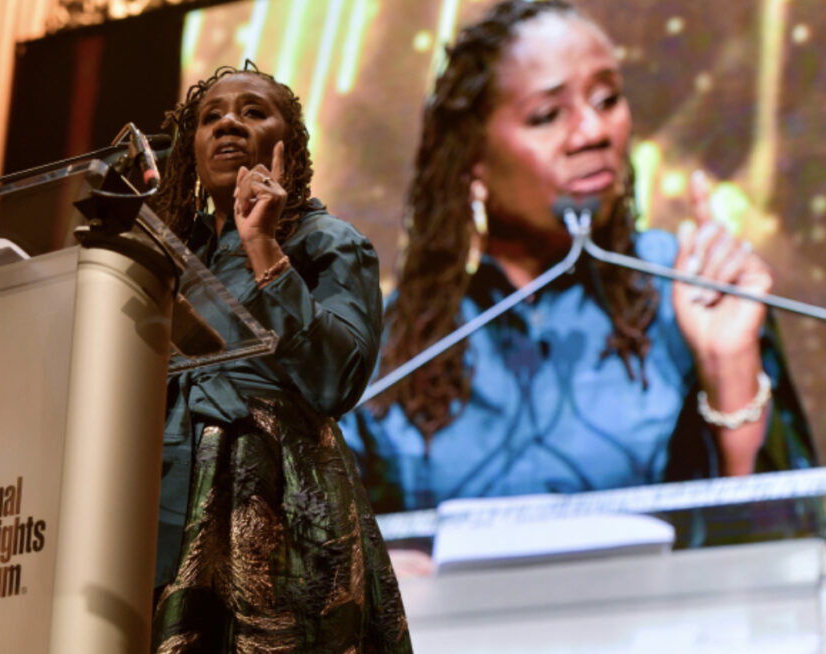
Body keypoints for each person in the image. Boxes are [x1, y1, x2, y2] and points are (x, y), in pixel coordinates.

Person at [341, 0, 815, 531]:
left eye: (607, 98)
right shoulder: (393, 346)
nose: (594, 131)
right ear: (472, 158)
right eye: (547, 115)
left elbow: (786, 552)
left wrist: (729, 371)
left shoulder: (689, 286)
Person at [148, 63, 412, 652]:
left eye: (252, 112)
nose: (228, 126)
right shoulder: (167, 257)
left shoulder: (329, 243)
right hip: (162, 503)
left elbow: (337, 381)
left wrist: (263, 248)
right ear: (188, 148)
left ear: (286, 144)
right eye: (210, 117)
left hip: (276, 514)